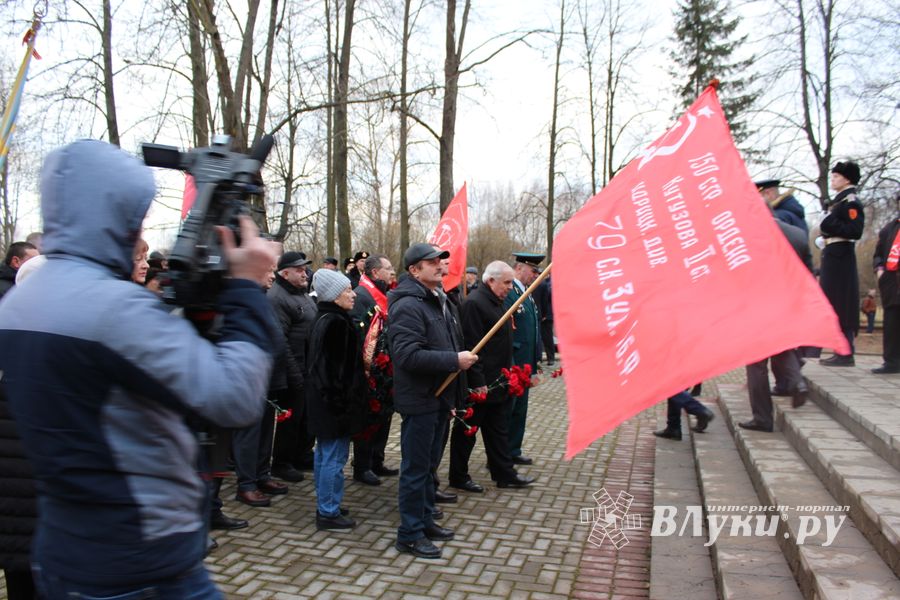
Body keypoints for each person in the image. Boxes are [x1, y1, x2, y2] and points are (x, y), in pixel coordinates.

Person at [0, 139, 281, 598]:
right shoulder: (114, 310)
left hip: (64, 551)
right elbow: (233, 397)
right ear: (115, 215)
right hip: (141, 564)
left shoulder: (19, 302)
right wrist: (247, 287)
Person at [389, 243, 478, 559]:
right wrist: (454, 360)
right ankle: (409, 534)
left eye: (441, 261)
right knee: (415, 470)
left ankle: (425, 520)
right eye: (432, 263)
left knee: (428, 468)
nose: (441, 266)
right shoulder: (407, 306)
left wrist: (455, 394)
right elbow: (407, 355)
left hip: (441, 399)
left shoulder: (441, 300)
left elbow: (453, 342)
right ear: (414, 270)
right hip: (421, 400)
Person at [450, 260, 534, 491]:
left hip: (498, 381)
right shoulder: (475, 304)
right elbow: (471, 344)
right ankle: (458, 476)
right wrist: (478, 383)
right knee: (467, 432)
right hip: (480, 384)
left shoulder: (498, 301)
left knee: (498, 431)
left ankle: (504, 473)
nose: (509, 287)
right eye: (506, 282)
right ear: (490, 281)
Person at [306, 269, 368, 531]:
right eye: (346, 291)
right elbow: (333, 372)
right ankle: (328, 512)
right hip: (334, 405)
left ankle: (327, 503)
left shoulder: (325, 318)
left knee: (324, 454)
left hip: (324, 403)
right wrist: (343, 407)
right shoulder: (336, 323)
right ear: (333, 295)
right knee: (333, 457)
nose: (353, 294)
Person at [739, 215, 814, 432]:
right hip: (788, 300)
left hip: (759, 301)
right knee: (782, 345)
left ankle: (762, 417)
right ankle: (796, 382)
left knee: (756, 363)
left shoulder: (750, 234)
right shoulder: (798, 234)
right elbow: (809, 273)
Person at [267, 251, 317, 481]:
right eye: (299, 270)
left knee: (307, 416)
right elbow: (280, 340)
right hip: (292, 370)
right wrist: (295, 374)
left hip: (308, 366)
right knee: (291, 419)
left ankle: (301, 454)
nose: (304, 272)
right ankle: (282, 462)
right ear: (284, 273)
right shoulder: (277, 297)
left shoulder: (302, 293)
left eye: (305, 268)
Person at [351, 253, 399, 487]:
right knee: (368, 420)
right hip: (369, 372)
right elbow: (358, 336)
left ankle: (377, 459)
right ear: (374, 273)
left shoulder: (385, 296)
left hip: (385, 372)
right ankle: (362, 466)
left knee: (384, 417)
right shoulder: (361, 296)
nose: (392, 272)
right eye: (388, 268)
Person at [818, 160, 864, 367]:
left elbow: (855, 230)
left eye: (836, 177)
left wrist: (828, 223)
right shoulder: (840, 201)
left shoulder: (851, 201)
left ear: (846, 179)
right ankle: (840, 349)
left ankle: (846, 352)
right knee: (834, 303)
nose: (833, 180)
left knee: (842, 303)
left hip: (841, 257)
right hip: (833, 254)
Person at [504, 252, 544, 466]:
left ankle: (513, 449)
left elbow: (533, 329)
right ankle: (502, 453)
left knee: (520, 409)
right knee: (509, 410)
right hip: (514, 361)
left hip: (526, 362)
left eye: (537, 272)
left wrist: (536, 360)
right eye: (532, 271)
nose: (535, 275)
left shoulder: (527, 294)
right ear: (519, 269)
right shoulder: (511, 292)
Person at [872, 194, 900, 374]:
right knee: (891, 322)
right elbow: (878, 254)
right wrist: (879, 270)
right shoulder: (890, 228)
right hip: (891, 282)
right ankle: (891, 361)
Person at [534, 273, 555, 365]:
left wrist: (545, 314)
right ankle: (539, 357)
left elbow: (548, 299)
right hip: (541, 313)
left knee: (547, 337)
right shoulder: (543, 283)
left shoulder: (549, 283)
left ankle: (551, 358)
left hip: (547, 314)